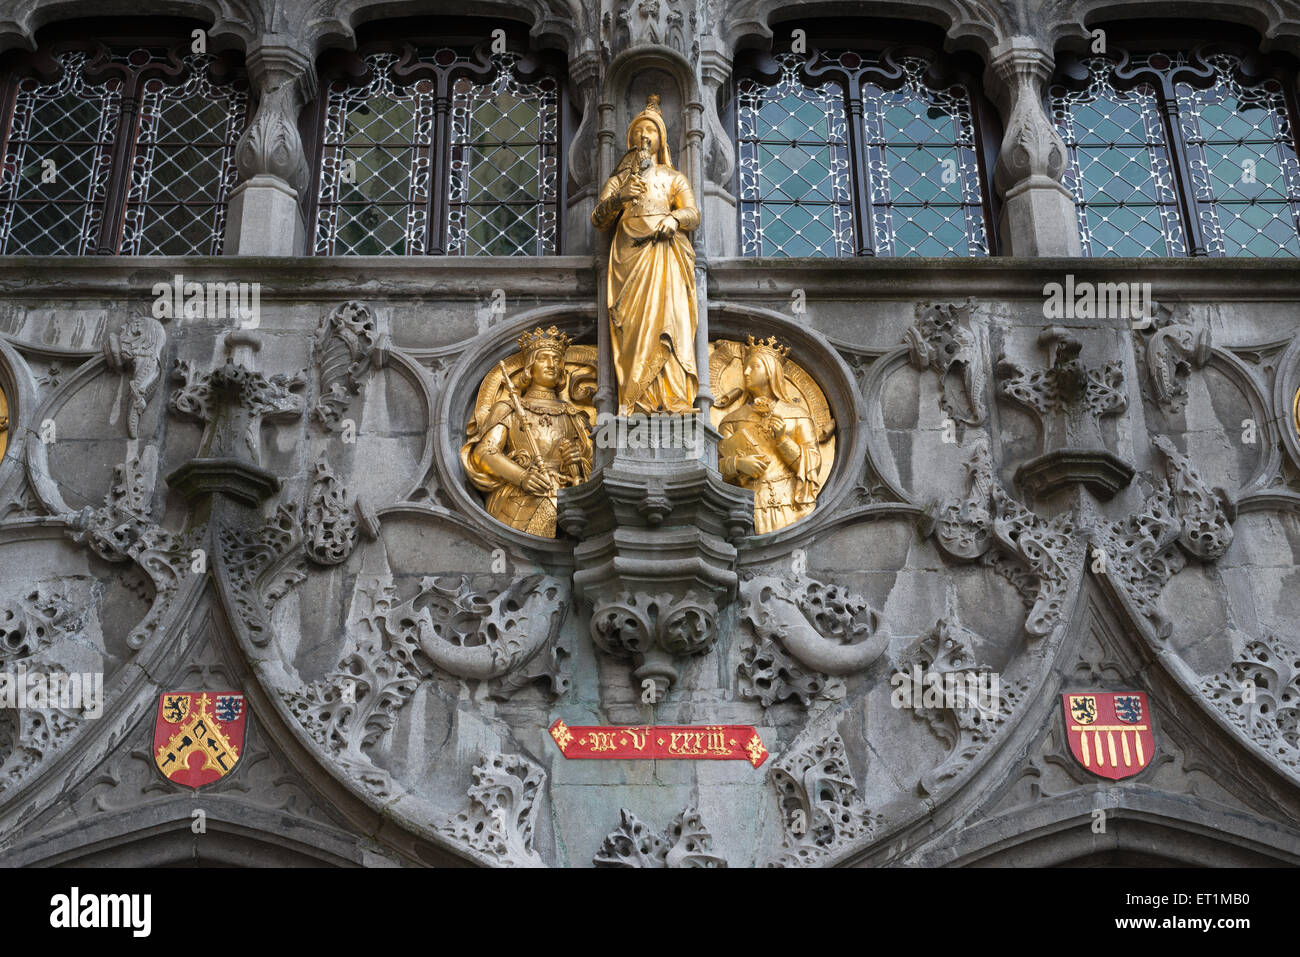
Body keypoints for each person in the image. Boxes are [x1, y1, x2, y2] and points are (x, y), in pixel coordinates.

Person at [592, 94, 700, 416]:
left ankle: (674, 398)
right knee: (635, 330)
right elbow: (599, 220)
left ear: (660, 140)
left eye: (650, 131)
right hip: (629, 259)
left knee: (670, 320)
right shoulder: (618, 181)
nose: (644, 136)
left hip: (665, 254)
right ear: (630, 140)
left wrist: (674, 218)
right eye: (639, 131)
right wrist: (618, 198)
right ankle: (635, 399)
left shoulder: (673, 178)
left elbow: (693, 213)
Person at [461, 327, 593, 537]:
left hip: (565, 496)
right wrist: (522, 476)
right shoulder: (510, 408)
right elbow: (484, 453)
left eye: (557, 359)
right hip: (521, 494)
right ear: (530, 366)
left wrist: (576, 464)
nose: (551, 364)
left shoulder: (573, 415)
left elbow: (591, 466)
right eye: (543, 358)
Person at [719, 337, 822, 534]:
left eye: (754, 366)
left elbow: (812, 464)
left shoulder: (797, 415)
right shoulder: (732, 420)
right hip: (744, 508)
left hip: (788, 504)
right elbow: (716, 467)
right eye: (745, 367)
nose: (746, 372)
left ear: (770, 371)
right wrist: (738, 464)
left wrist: (783, 441)